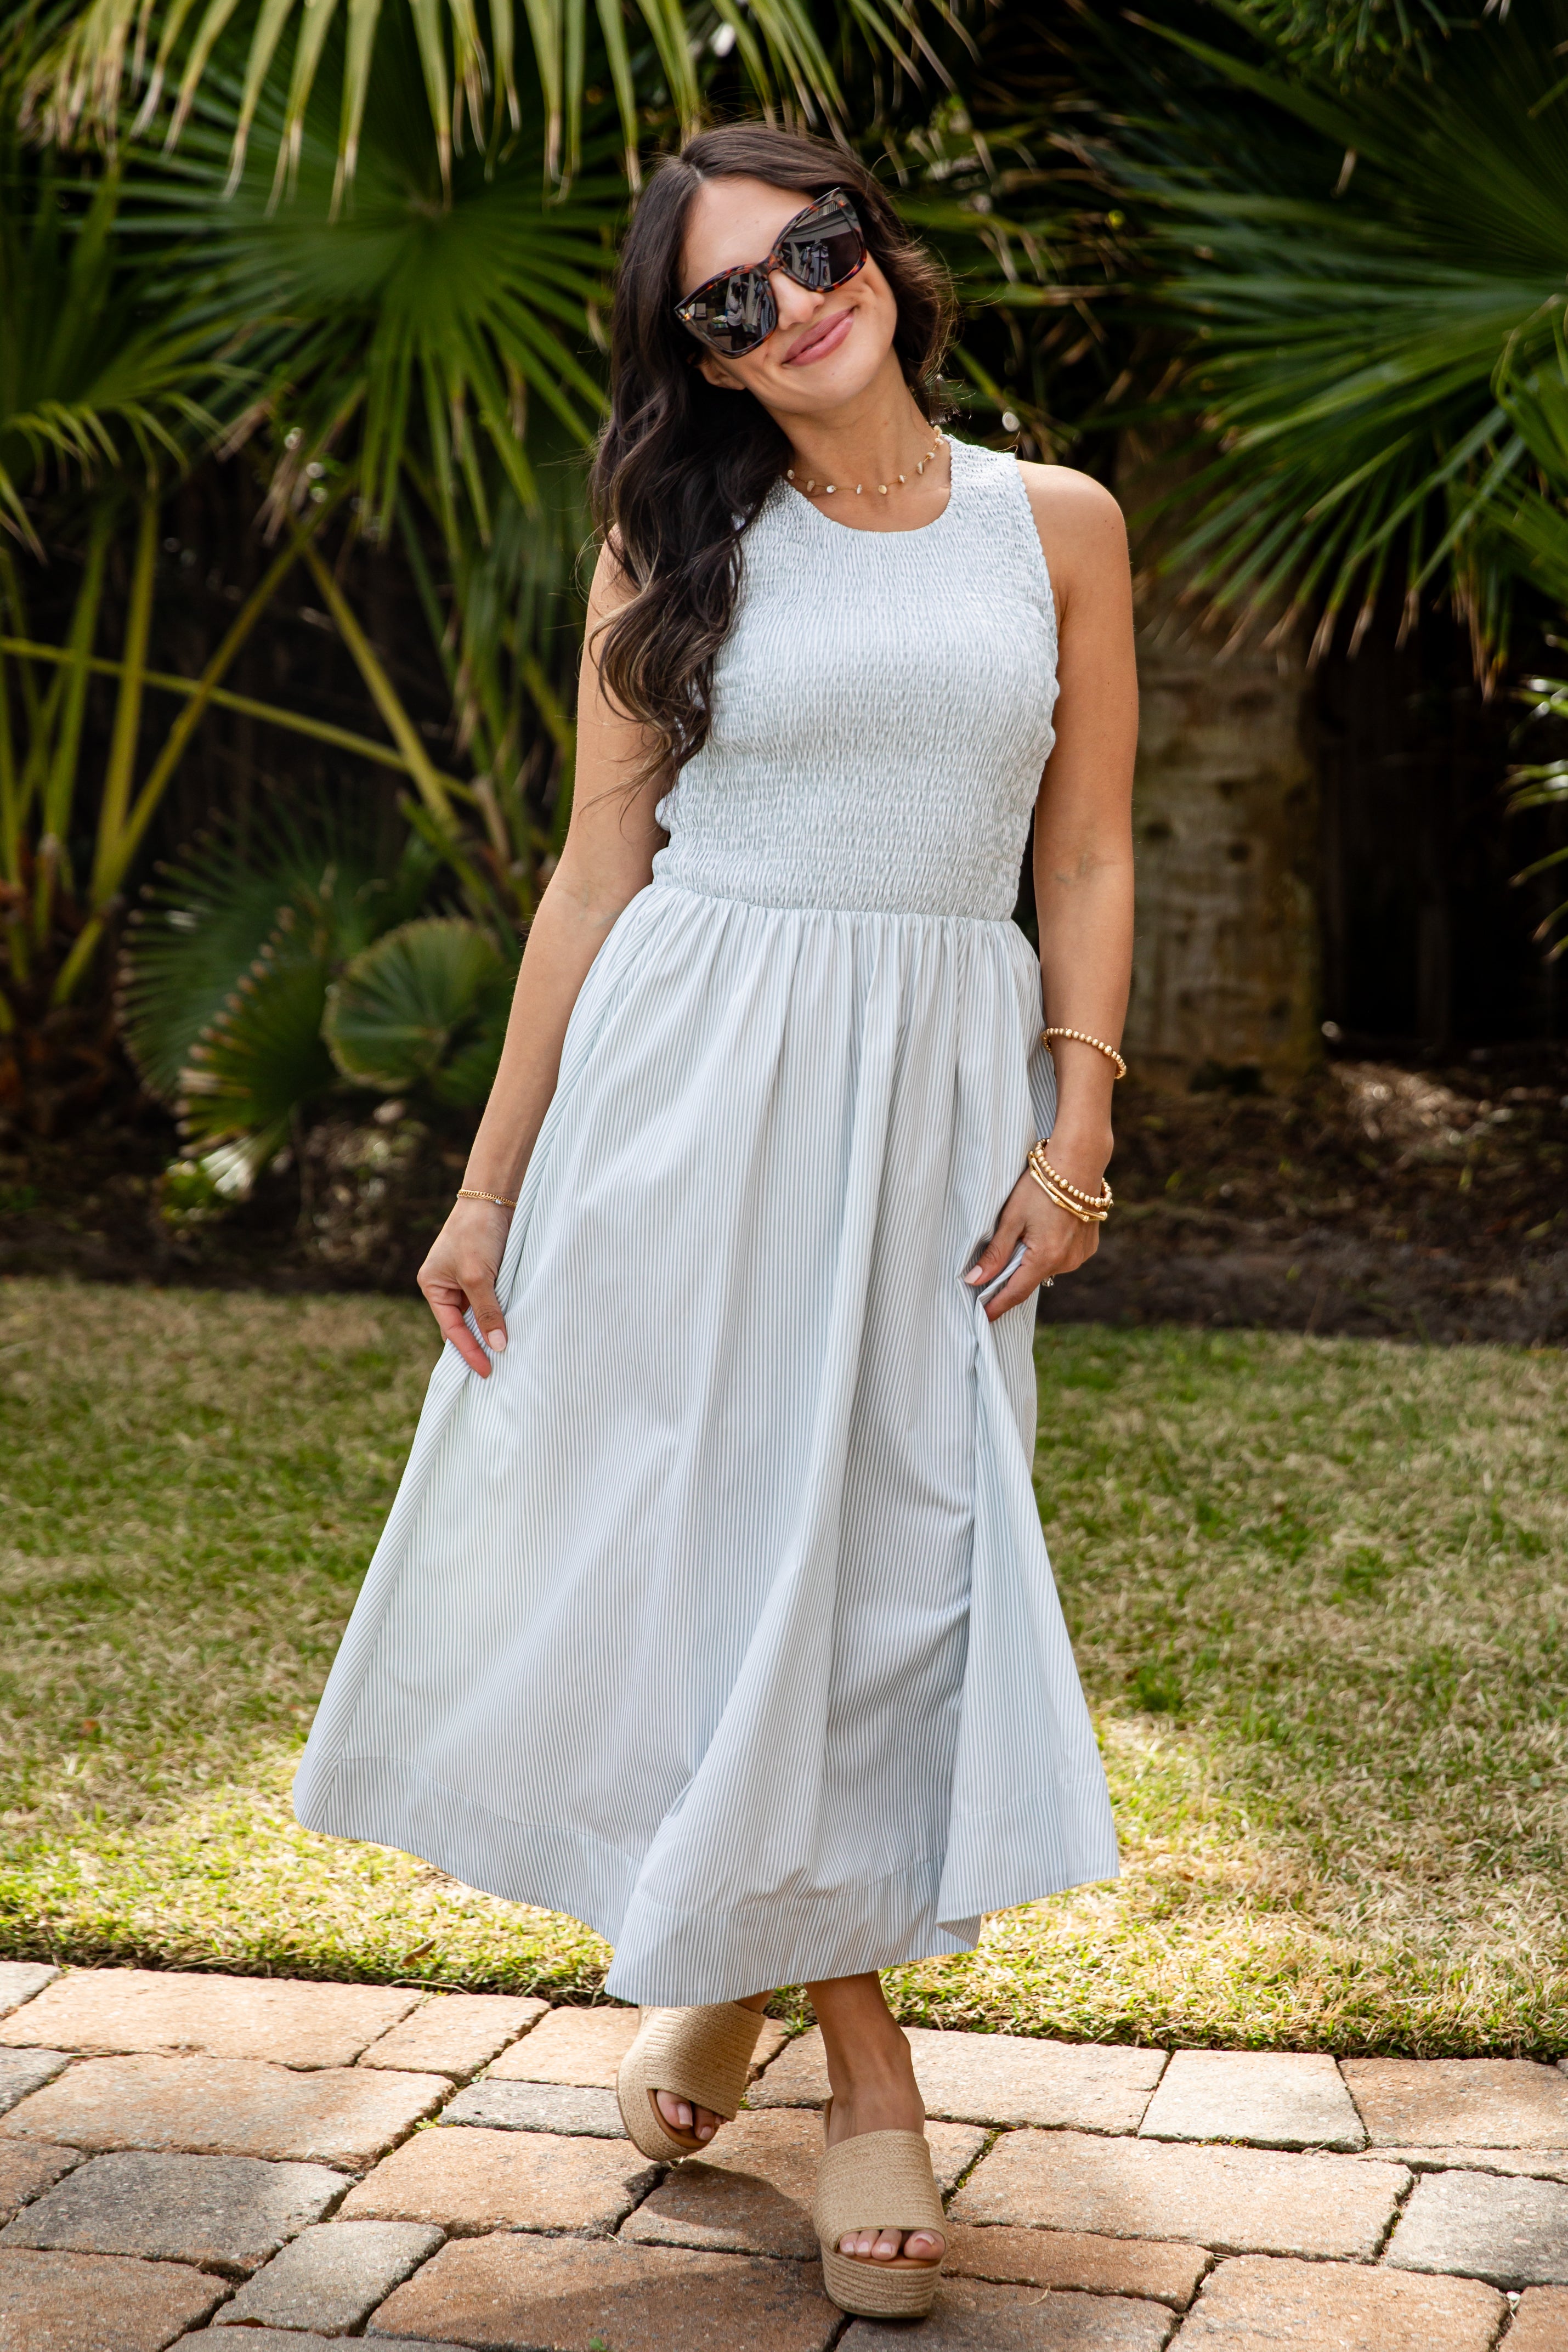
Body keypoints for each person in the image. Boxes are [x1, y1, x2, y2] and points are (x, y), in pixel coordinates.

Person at [295, 121, 1136, 2323]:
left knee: (885, 1573)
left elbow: (1086, 853)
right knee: (744, 1564)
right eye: (728, 301)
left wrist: (1075, 1124)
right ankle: (868, 2069)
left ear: (881, 249)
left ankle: (728, 1968)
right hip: (689, 1089)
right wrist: (486, 1184)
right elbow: (595, 876)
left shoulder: (1056, 523)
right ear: (702, 358)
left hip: (934, 1097)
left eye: (814, 249)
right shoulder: (675, 543)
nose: (792, 305)